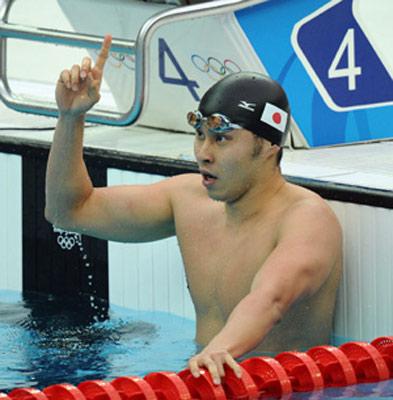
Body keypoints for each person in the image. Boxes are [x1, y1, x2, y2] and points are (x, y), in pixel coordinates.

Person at [45, 35, 342, 385]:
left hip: (279, 392)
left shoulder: (306, 218)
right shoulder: (189, 199)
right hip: (202, 381)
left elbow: (271, 298)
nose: (203, 152)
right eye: (200, 134)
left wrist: (221, 349)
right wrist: (70, 118)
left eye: (221, 138)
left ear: (268, 146)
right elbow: (69, 211)